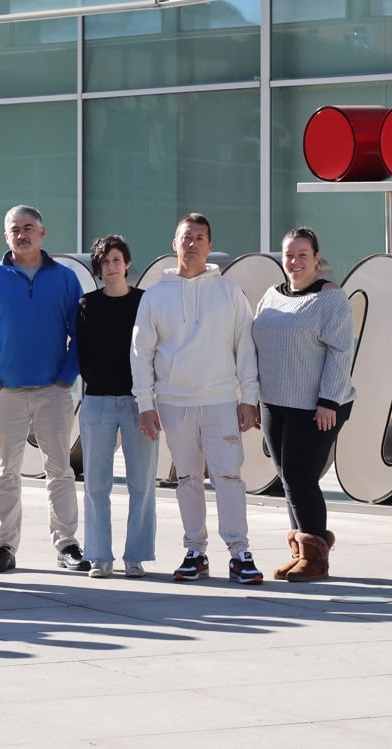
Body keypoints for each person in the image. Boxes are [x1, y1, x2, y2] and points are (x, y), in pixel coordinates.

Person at [131, 212, 264, 586]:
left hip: (221, 400)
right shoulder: (156, 295)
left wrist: (248, 398)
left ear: (209, 246)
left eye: (199, 237)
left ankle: (240, 553)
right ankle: (195, 552)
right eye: (185, 237)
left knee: (228, 476)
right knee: (188, 478)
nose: (192, 243)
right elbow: (141, 353)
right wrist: (146, 404)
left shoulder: (228, 291)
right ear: (174, 244)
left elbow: (245, 347)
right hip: (174, 403)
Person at [0, 205, 85, 574]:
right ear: (6, 236)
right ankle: (3, 545)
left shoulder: (65, 278)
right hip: (4, 393)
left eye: (28, 228)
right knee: (5, 472)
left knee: (60, 471)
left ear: (43, 232)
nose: (22, 234)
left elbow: (80, 333)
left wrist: (67, 376)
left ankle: (67, 544)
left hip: (53, 391)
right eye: (14, 229)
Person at [253, 227, 355, 582]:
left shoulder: (330, 299)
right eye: (289, 255)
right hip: (274, 403)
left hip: (316, 406)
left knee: (301, 477)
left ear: (315, 258)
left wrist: (328, 401)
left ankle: (316, 559)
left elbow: (342, 353)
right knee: (287, 478)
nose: (294, 262)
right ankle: (301, 553)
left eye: (302, 255)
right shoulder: (270, 295)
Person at [76, 234, 157, 579]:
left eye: (117, 260)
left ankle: (135, 556)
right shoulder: (86, 304)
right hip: (97, 403)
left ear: (127, 263)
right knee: (96, 485)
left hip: (139, 403)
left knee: (142, 483)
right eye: (105, 262)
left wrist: (149, 398)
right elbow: (81, 353)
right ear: (98, 268)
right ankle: (99, 555)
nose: (111, 266)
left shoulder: (144, 302)